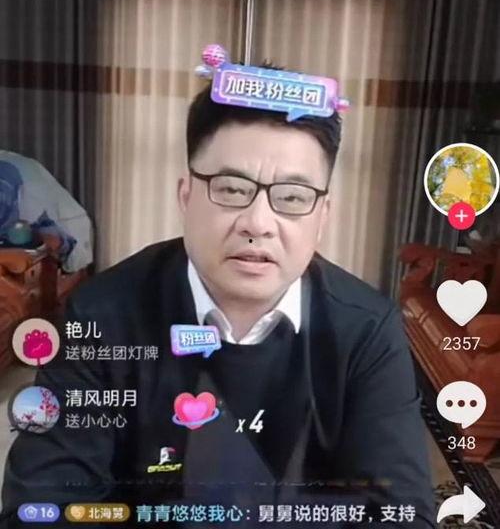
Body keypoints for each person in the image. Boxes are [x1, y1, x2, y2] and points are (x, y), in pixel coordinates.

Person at [1, 70, 435, 528]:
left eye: (292, 197)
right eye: (231, 189)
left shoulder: (367, 328)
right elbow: (40, 505)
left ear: (322, 217)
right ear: (186, 196)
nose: (258, 223)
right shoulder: (102, 315)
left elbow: (401, 512)